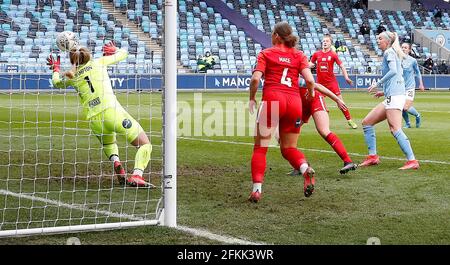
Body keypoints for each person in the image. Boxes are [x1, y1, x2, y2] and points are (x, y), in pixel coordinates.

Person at [46, 41, 153, 187]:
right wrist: (114, 49)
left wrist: (56, 69)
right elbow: (124, 54)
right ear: (87, 54)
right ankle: (137, 175)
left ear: (72, 60)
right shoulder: (99, 62)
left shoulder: (72, 77)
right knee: (145, 144)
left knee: (109, 143)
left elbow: (56, 82)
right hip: (112, 112)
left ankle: (116, 160)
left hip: (95, 120)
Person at [248, 21, 317, 202]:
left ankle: (257, 190)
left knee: (260, 148)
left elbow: (255, 79)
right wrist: (310, 95)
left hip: (272, 100)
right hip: (294, 103)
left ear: (277, 36)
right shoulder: (299, 55)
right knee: (289, 148)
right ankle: (304, 168)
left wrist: (251, 98)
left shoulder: (266, 53)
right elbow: (310, 81)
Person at [360, 31, 419, 170]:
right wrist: (384, 91)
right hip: (392, 96)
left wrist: (377, 83)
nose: (377, 41)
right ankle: (373, 157)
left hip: (394, 97)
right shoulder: (392, 52)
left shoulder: (389, 53)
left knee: (395, 129)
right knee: (367, 123)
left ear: (387, 41)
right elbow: (397, 75)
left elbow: (392, 71)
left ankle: (412, 161)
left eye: (380, 38)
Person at [276, 81, 357, 175]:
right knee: (285, 138)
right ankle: (301, 165)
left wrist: (337, 100)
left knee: (323, 130)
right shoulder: (276, 85)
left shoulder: (292, 79)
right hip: (300, 106)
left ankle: (348, 161)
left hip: (314, 99)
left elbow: (317, 85)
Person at [310, 34, 358, 129]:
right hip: (320, 84)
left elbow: (342, 66)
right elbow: (310, 64)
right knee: (314, 102)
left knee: (340, 102)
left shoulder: (333, 54)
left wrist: (346, 77)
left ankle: (349, 120)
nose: (324, 42)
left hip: (332, 83)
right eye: (323, 41)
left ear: (330, 43)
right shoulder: (316, 54)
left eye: (327, 41)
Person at [401, 42, 425, 128]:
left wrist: (421, 84)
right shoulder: (398, 59)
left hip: (410, 87)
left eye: (405, 47)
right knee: (401, 107)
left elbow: (418, 72)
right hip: (401, 87)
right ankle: (408, 124)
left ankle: (417, 115)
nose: (403, 49)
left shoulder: (412, 60)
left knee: (405, 108)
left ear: (409, 50)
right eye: (402, 47)